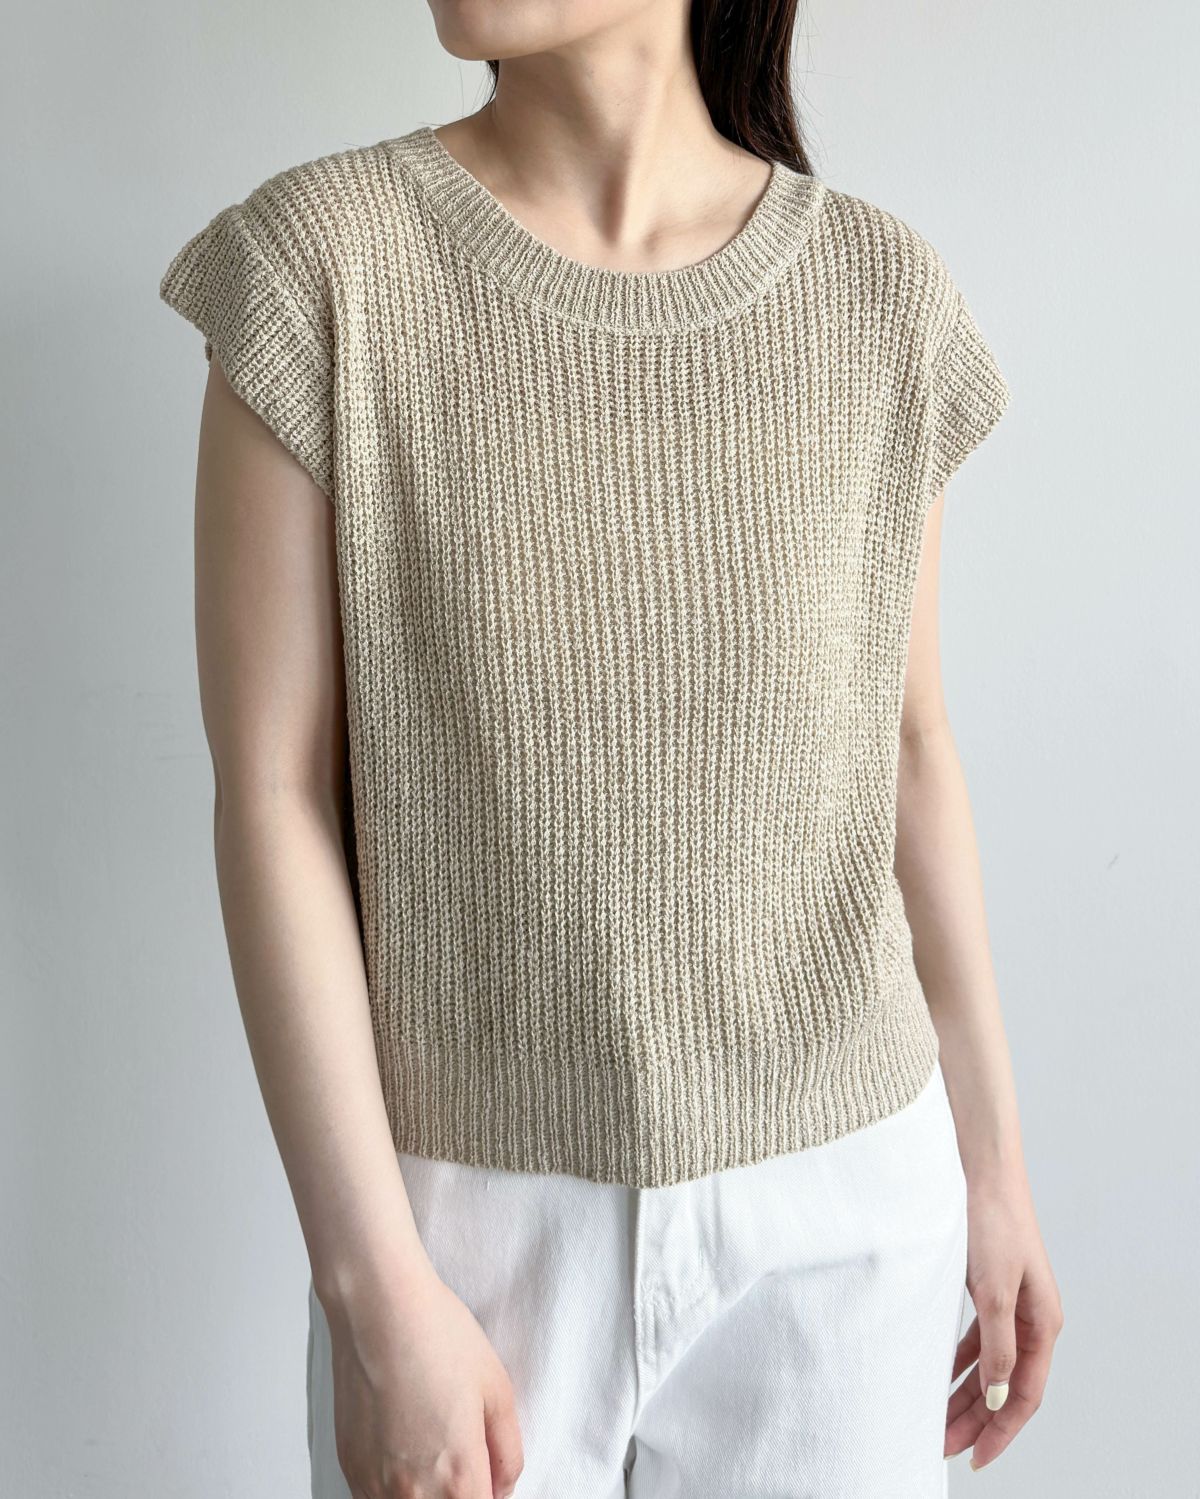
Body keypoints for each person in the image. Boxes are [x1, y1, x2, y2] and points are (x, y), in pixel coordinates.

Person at [158, 3, 1063, 1494]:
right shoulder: (324, 267)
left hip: (847, 1208)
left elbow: (908, 748)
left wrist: (997, 1170)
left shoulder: (879, 296)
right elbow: (272, 793)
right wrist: (372, 1287)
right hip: (466, 1228)